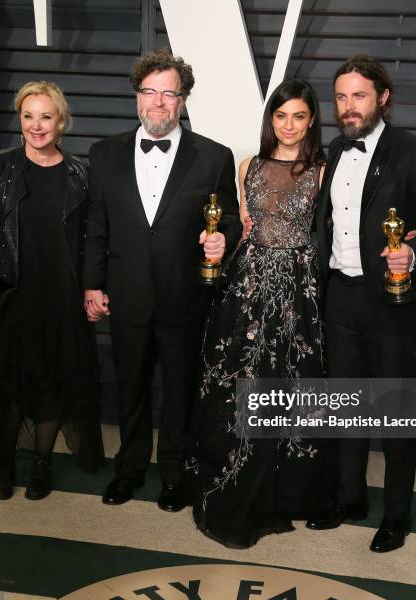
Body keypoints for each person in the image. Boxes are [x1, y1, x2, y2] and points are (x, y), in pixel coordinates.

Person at [307, 55, 416, 552]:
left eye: (360, 96)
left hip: (389, 302)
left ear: (383, 98)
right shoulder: (335, 146)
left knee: (394, 413)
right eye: (342, 97)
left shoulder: (413, 151)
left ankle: (397, 515)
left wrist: (411, 252)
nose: (349, 107)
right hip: (340, 297)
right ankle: (350, 498)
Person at [83, 50, 241, 512]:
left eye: (169, 93)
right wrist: (92, 283)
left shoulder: (213, 156)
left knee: (180, 392)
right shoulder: (103, 152)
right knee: (128, 388)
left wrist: (222, 240)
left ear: (183, 100)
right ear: (137, 97)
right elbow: (97, 223)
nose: (158, 102)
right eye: (150, 92)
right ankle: (129, 468)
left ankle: (174, 473)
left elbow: (227, 217)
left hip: (184, 297)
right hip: (125, 295)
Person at [190, 79, 327, 548]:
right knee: (239, 378)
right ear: (271, 119)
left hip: (296, 289)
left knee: (288, 383)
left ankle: (286, 491)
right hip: (246, 287)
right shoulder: (248, 164)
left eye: (299, 117)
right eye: (281, 116)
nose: (288, 126)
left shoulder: (322, 170)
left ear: (311, 121)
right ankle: (233, 472)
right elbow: (243, 226)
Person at [0, 81, 104, 501]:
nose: (36, 126)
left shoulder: (81, 173)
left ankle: (40, 464)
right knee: (5, 388)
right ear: (19, 120)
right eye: (28, 116)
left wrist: (93, 289)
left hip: (61, 300)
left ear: (61, 122)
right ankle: (3, 467)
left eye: (45, 116)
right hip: (10, 297)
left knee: (52, 385)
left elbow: (93, 239)